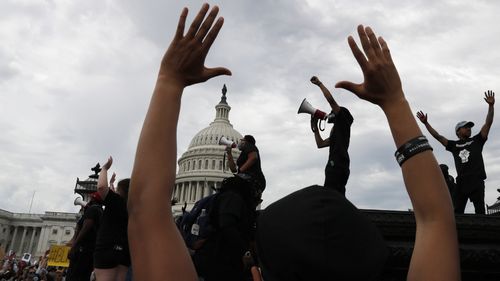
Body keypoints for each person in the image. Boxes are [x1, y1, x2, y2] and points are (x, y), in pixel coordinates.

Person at [127, 4, 459, 281]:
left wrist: (169, 81)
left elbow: (146, 210)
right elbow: (438, 218)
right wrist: (394, 101)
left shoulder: (337, 118)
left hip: (335, 168)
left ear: (257, 275)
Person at [417, 90, 495, 214]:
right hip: (462, 181)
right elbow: (437, 136)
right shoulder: (454, 145)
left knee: (480, 211)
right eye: (466, 127)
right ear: (458, 131)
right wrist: (426, 123)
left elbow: (488, 123)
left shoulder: (477, 140)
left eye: (469, 127)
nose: (469, 129)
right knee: (457, 211)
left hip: (477, 180)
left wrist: (491, 106)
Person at [310, 75, 353, 196]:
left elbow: (331, 101)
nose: (330, 113)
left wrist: (319, 84)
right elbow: (321, 144)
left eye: (333, 112)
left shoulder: (343, 122)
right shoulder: (338, 132)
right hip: (337, 164)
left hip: (337, 163)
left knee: (330, 195)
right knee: (337, 195)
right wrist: (315, 128)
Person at [94, 157, 130, 281]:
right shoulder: (133, 208)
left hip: (107, 248)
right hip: (124, 251)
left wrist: (104, 169)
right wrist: (112, 184)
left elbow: (101, 188)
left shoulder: (117, 202)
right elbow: (112, 195)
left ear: (121, 192)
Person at [66, 196, 103, 281]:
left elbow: (85, 228)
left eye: (90, 199)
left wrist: (74, 246)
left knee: (74, 276)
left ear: (93, 200)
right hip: (89, 251)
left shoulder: (92, 210)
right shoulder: (99, 211)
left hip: (82, 250)